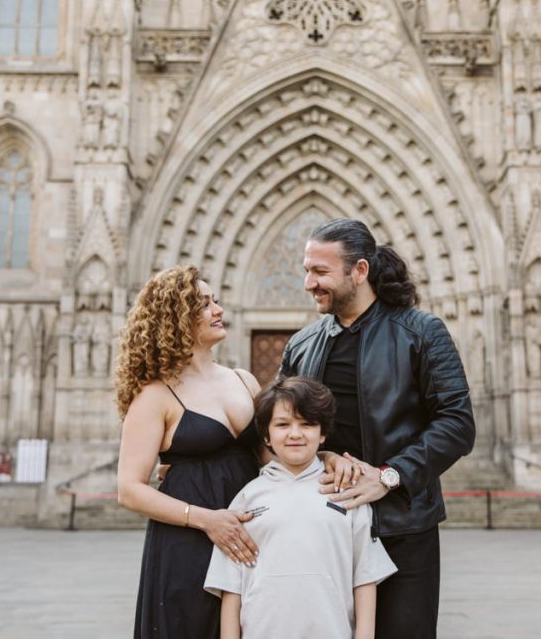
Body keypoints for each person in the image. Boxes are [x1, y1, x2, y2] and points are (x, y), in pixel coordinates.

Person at [279, 218, 476, 639]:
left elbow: (458, 423)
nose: (309, 283)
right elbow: (277, 429)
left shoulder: (421, 332)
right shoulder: (302, 344)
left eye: (320, 272)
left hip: (402, 525)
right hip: (323, 525)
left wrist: (390, 476)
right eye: (306, 271)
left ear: (360, 271)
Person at [115, 265, 262, 639]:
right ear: (176, 317)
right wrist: (206, 520)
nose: (218, 310)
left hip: (249, 537)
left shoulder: (244, 380)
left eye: (216, 301)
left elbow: (273, 454)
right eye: (204, 303)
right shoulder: (155, 395)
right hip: (189, 542)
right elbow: (129, 489)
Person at [204, 376, 396, 639]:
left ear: (323, 433)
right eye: (282, 424)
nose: (295, 434)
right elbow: (230, 587)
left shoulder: (347, 495)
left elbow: (365, 577)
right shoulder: (247, 499)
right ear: (266, 436)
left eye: (307, 424)